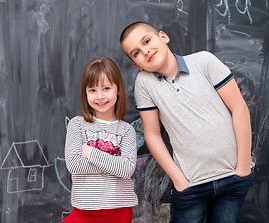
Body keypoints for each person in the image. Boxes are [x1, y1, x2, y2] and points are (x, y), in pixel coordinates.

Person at [119, 22, 253, 223]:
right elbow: (153, 134)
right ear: (137, 65)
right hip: (191, 185)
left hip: (233, 176)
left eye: (147, 41)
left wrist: (242, 167)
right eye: (136, 53)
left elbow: (239, 108)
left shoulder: (204, 61)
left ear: (163, 37)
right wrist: (179, 180)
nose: (145, 51)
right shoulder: (145, 83)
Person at [63, 57, 138, 223]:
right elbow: (74, 165)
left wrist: (90, 152)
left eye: (106, 88)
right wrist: (113, 162)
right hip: (84, 211)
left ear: (118, 90)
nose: (100, 96)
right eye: (92, 90)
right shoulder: (77, 125)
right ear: (85, 93)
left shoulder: (126, 131)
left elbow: (126, 170)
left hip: (119, 209)